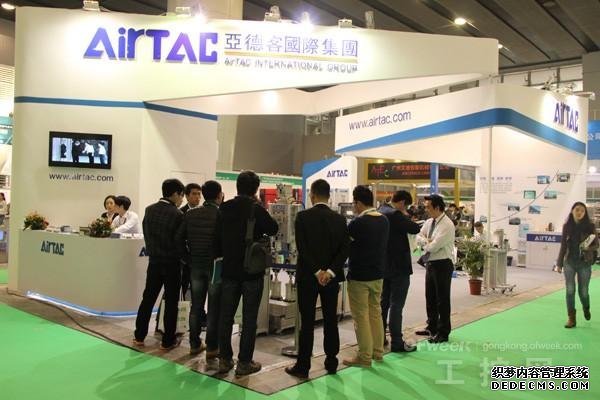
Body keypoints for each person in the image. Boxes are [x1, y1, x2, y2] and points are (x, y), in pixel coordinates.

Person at [285, 179, 350, 379]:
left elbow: (302, 248)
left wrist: (316, 271)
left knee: (307, 323)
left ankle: (303, 366)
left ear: (312, 195)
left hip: (308, 278)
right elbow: (344, 250)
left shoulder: (303, 217)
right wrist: (329, 272)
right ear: (328, 196)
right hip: (331, 279)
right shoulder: (339, 219)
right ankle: (331, 362)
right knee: (331, 320)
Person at [217, 171, 278, 376]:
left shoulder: (224, 208)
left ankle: (224, 359)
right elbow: (273, 228)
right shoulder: (256, 209)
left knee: (226, 316)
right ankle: (244, 362)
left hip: (229, 270)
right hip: (251, 271)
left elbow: (216, 236)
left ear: (237, 186)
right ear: (255, 189)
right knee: (249, 318)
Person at [133, 179, 185, 350]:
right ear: (175, 194)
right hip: (172, 264)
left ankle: (139, 336)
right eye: (181, 195)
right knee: (171, 302)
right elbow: (178, 242)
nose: (182, 199)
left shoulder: (149, 210)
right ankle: (167, 341)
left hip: (154, 262)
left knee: (148, 299)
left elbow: (146, 233)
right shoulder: (178, 214)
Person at [175, 180, 224, 362]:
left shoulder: (191, 214)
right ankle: (212, 347)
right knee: (214, 308)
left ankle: (194, 344)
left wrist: (188, 259)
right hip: (215, 266)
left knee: (196, 305)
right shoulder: (221, 215)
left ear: (203, 194)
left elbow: (178, 239)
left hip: (195, 265)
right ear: (219, 196)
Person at [343, 185, 389, 368]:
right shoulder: (384, 220)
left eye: (354, 203)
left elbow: (346, 245)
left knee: (360, 317)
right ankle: (378, 352)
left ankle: (364, 356)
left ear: (358, 203)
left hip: (359, 276)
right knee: (375, 313)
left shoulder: (358, 223)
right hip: (378, 275)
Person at [379, 190, 420, 353]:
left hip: (384, 266)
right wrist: (404, 214)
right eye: (406, 206)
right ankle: (396, 341)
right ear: (402, 202)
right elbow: (414, 228)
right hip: (399, 267)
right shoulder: (395, 214)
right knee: (397, 305)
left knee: (383, 304)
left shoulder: (381, 210)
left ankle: (379, 338)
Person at [415, 194, 456, 343]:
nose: (426, 209)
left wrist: (425, 243)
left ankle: (443, 332)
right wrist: (426, 241)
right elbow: (418, 236)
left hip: (443, 264)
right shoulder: (429, 222)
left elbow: (434, 247)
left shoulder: (447, 225)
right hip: (431, 263)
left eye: (428, 207)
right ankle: (431, 327)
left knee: (442, 299)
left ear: (437, 207)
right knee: (430, 297)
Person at [556, 202, 597, 328]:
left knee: (583, 292)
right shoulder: (566, 226)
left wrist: (587, 247)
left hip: (584, 263)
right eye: (577, 210)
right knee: (570, 290)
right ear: (572, 211)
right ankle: (571, 318)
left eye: (582, 211)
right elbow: (563, 245)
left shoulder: (590, 226)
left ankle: (586, 307)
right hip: (569, 262)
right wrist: (559, 263)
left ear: (585, 213)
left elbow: (596, 244)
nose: (579, 212)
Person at [179, 183, 202, 301]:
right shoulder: (180, 213)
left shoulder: (203, 212)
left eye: (199, 194)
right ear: (187, 196)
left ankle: (196, 310)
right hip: (184, 259)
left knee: (197, 289)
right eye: (194, 194)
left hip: (198, 257)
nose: (197, 197)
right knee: (182, 287)